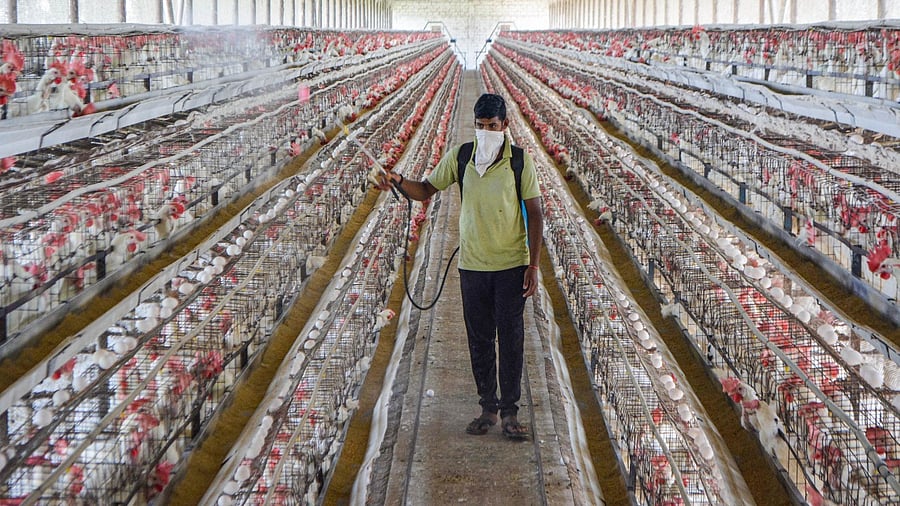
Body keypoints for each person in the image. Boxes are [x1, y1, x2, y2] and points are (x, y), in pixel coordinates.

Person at [375, 93, 543, 440]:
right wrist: (398, 180)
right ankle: (488, 409)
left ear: (505, 126)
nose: (485, 131)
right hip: (473, 265)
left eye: (492, 126)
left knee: (511, 339)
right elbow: (424, 190)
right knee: (479, 338)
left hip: (511, 265)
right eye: (480, 126)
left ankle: (511, 411)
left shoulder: (520, 163)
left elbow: (536, 212)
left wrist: (534, 265)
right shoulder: (461, 156)